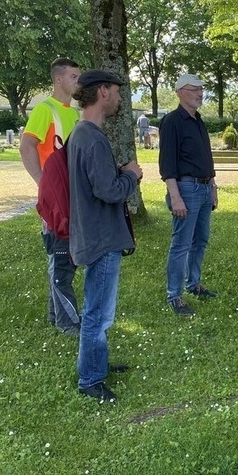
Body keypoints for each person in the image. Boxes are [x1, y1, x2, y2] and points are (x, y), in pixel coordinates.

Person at [68, 70, 143, 402]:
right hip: (100, 237)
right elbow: (108, 191)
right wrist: (131, 176)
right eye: (115, 91)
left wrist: (119, 174)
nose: (118, 98)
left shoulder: (81, 134)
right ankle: (90, 380)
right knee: (97, 311)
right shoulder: (92, 137)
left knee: (101, 309)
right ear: (102, 92)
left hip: (93, 233)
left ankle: (96, 363)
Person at [20, 57, 81, 337]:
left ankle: (54, 313)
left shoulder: (74, 114)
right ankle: (67, 322)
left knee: (64, 257)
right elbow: (27, 145)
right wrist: (43, 182)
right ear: (58, 79)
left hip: (71, 198)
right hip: (54, 201)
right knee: (60, 258)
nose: (77, 82)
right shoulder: (46, 110)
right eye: (73, 76)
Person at [159, 73, 218, 317]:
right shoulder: (172, 121)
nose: (200, 93)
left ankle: (193, 284)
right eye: (194, 89)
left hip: (204, 189)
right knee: (181, 244)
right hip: (186, 189)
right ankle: (174, 295)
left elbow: (206, 157)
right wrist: (175, 196)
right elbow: (167, 164)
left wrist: (213, 187)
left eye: (201, 89)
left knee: (200, 240)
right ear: (180, 92)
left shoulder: (198, 120)